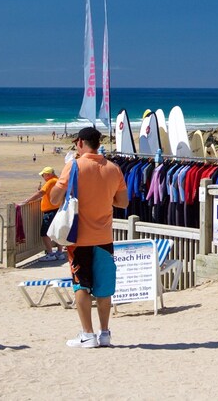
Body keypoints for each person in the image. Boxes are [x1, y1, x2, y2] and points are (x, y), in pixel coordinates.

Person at [50, 127, 128, 349]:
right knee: (104, 287)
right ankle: (105, 333)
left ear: (81, 143)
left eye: (77, 142)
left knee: (81, 286)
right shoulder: (114, 169)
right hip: (104, 236)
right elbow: (122, 202)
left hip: (79, 237)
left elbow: (55, 199)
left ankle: (87, 334)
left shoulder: (74, 165)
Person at [23, 167, 63, 261]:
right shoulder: (58, 180)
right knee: (58, 231)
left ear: (48, 174)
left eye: (43, 175)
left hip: (51, 211)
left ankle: (50, 253)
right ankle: (60, 252)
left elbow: (41, 192)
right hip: (57, 209)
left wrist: (27, 201)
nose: (42, 177)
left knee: (45, 233)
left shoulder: (51, 182)